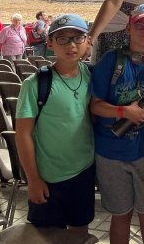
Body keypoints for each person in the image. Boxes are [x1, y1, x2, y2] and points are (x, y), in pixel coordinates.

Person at [90, 4, 144, 244]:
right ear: (129, 26)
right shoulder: (110, 61)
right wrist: (124, 111)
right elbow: (95, 105)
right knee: (121, 214)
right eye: (140, 23)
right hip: (111, 152)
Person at [14, 14, 95, 233]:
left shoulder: (91, 76)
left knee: (80, 231)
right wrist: (33, 179)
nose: (71, 45)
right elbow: (22, 134)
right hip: (48, 177)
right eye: (63, 39)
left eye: (78, 38)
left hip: (83, 171)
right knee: (47, 235)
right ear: (49, 43)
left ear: (88, 41)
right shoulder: (35, 84)